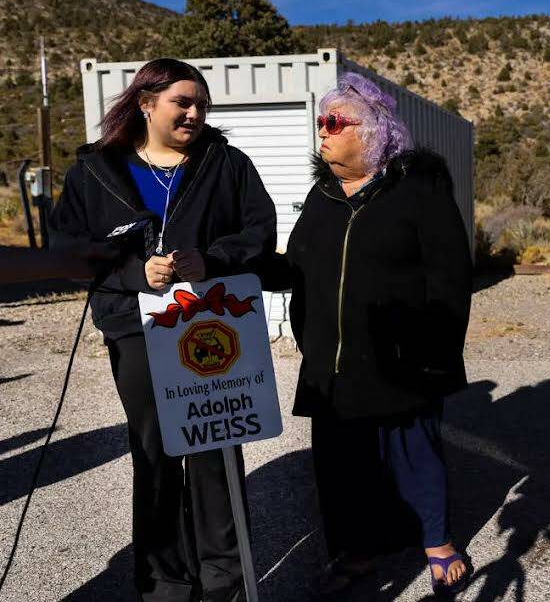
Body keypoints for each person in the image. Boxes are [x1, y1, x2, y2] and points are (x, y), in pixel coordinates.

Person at [50, 58, 277, 601]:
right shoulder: (95, 170)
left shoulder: (227, 164)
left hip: (212, 320)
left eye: (202, 104)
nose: (195, 113)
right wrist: (133, 271)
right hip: (135, 329)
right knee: (155, 452)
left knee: (214, 447)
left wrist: (212, 258)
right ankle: (165, 585)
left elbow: (260, 231)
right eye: (183, 102)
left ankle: (225, 580)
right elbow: (67, 250)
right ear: (146, 103)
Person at [261, 73, 473, 596]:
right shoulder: (322, 196)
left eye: (335, 122)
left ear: (372, 131)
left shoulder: (418, 191)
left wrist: (436, 352)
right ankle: (354, 553)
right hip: (331, 363)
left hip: (403, 356)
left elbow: (450, 278)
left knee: (413, 451)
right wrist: (237, 266)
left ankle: (436, 541)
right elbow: (298, 267)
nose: (323, 132)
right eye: (320, 122)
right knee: (340, 467)